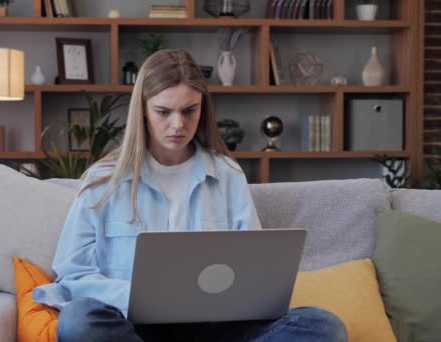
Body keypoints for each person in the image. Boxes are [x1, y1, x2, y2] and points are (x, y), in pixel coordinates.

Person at [33, 49, 347, 342]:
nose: (177, 124)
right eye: (163, 111)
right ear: (142, 109)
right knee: (78, 321)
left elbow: (254, 271)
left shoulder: (227, 175)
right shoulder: (103, 180)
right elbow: (72, 272)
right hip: (131, 325)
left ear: (203, 108)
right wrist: (137, 297)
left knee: (324, 326)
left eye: (189, 110)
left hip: (216, 326)